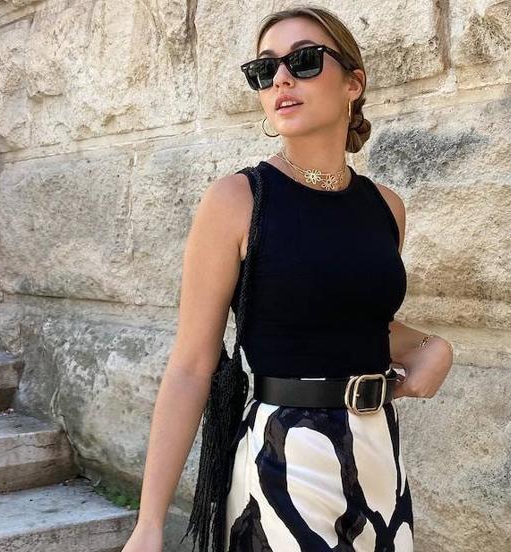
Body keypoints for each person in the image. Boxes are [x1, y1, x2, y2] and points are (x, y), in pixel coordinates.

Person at [122, 6, 453, 552]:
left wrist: (431, 346)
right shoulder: (238, 200)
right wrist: (149, 524)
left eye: (303, 61)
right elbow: (191, 365)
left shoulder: (385, 207)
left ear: (353, 84)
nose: (280, 78)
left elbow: (352, 321)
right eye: (264, 68)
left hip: (379, 456)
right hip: (285, 458)